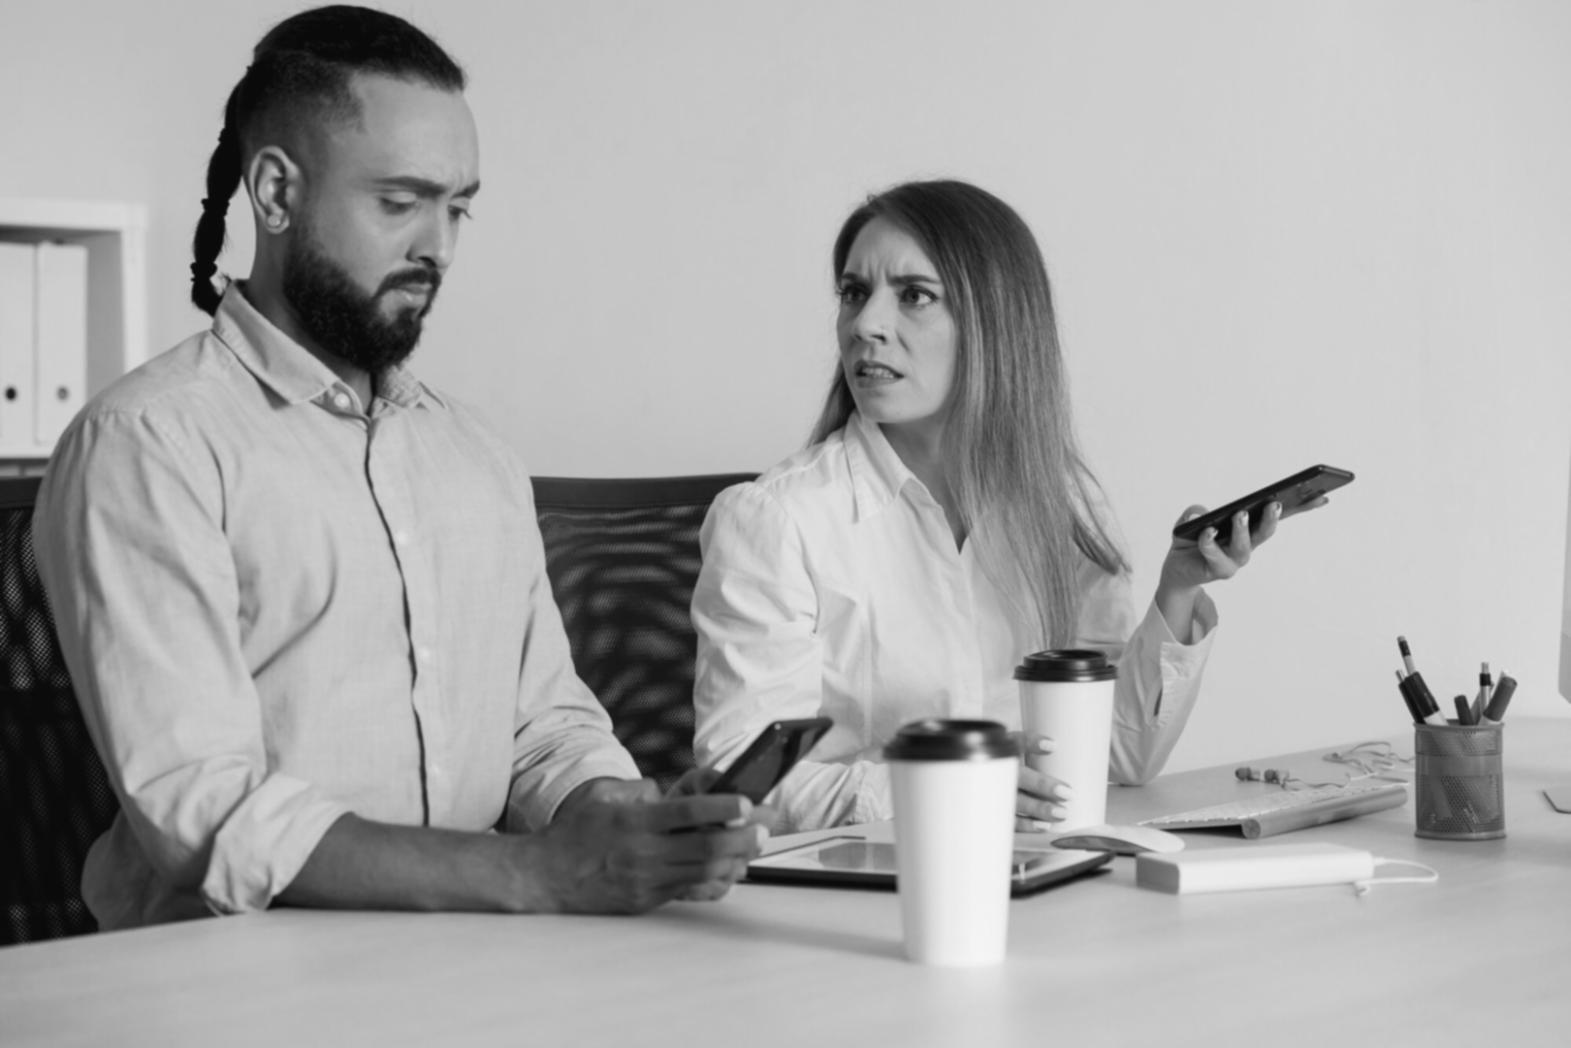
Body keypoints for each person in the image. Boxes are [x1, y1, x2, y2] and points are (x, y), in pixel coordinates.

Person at [34, 5, 763, 930]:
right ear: (275, 192)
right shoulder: (148, 445)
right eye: (400, 202)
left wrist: (618, 818)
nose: (441, 247)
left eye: (457, 206)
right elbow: (204, 813)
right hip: (234, 984)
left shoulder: (474, 454)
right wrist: (541, 876)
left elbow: (542, 725)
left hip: (472, 957)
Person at [692, 179, 1308, 833]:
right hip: (859, 893)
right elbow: (743, 782)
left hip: (1036, 874)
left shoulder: (1063, 506)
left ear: (993, 323)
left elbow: (1117, 754)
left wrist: (1178, 589)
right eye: (852, 293)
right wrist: (948, 791)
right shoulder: (774, 522)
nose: (865, 325)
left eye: (914, 296)